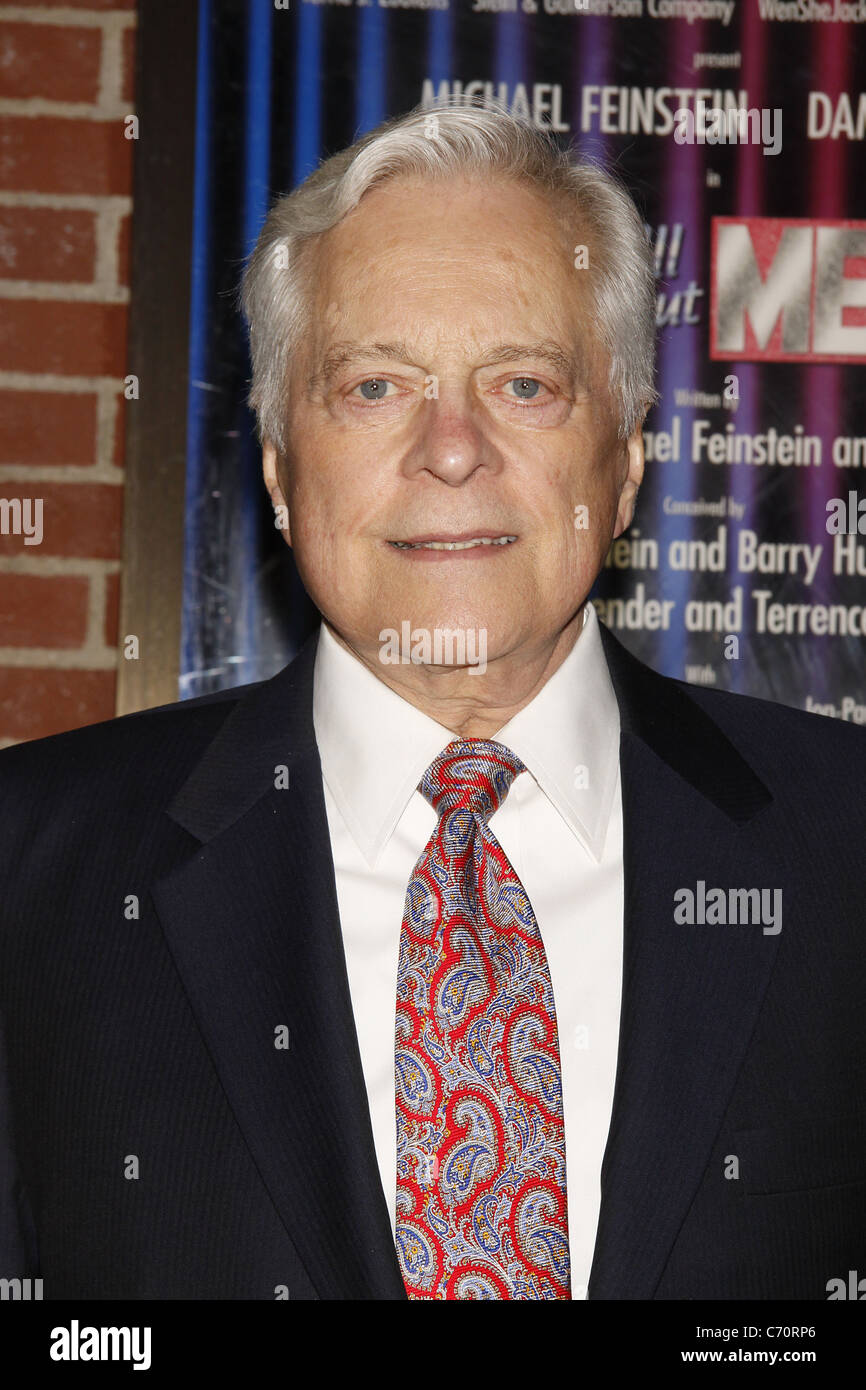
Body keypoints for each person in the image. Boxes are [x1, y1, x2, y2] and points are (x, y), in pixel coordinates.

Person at [1, 99, 864, 1302]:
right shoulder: (28, 875)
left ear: (623, 466)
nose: (448, 448)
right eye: (370, 387)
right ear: (278, 470)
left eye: (521, 383)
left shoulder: (845, 850)